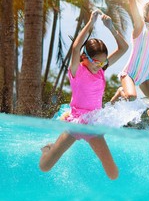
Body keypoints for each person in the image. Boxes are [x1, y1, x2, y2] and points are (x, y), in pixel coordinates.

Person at [39, 10, 129, 180]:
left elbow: (124, 48)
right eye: (96, 62)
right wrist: (91, 22)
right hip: (74, 123)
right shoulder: (77, 71)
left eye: (103, 62)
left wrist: (111, 27)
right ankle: (47, 148)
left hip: (92, 124)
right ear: (84, 57)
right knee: (44, 167)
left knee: (113, 173)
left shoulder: (101, 70)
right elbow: (74, 47)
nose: (100, 65)